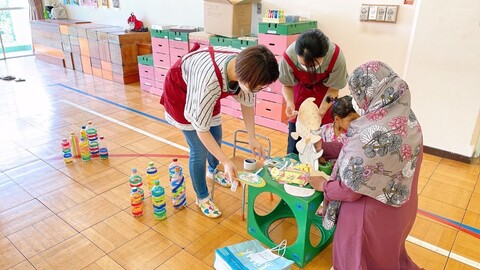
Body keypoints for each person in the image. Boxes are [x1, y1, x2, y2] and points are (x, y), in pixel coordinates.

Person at [307, 61, 423, 269]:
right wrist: (323, 146)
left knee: (356, 260)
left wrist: (323, 186)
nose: (360, 105)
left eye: (358, 96)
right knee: (386, 259)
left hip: (367, 218)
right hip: (399, 209)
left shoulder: (371, 132)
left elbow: (351, 190)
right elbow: (360, 156)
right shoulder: (407, 121)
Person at [160, 44, 279, 218]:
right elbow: (201, 130)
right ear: (243, 78)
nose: (258, 91)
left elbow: (247, 102)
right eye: (258, 87)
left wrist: (252, 137)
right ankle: (202, 197)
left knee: (216, 136)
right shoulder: (209, 85)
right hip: (181, 91)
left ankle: (213, 171)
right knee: (199, 150)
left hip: (205, 89)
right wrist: (226, 161)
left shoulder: (247, 66)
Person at [278, 29, 348, 154]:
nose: (309, 68)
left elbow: (333, 89)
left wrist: (321, 111)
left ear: (324, 55)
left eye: (314, 64)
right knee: (296, 145)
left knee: (320, 147)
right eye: (303, 63)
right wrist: (289, 102)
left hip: (325, 100)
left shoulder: (336, 57)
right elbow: (287, 85)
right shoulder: (289, 56)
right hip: (300, 99)